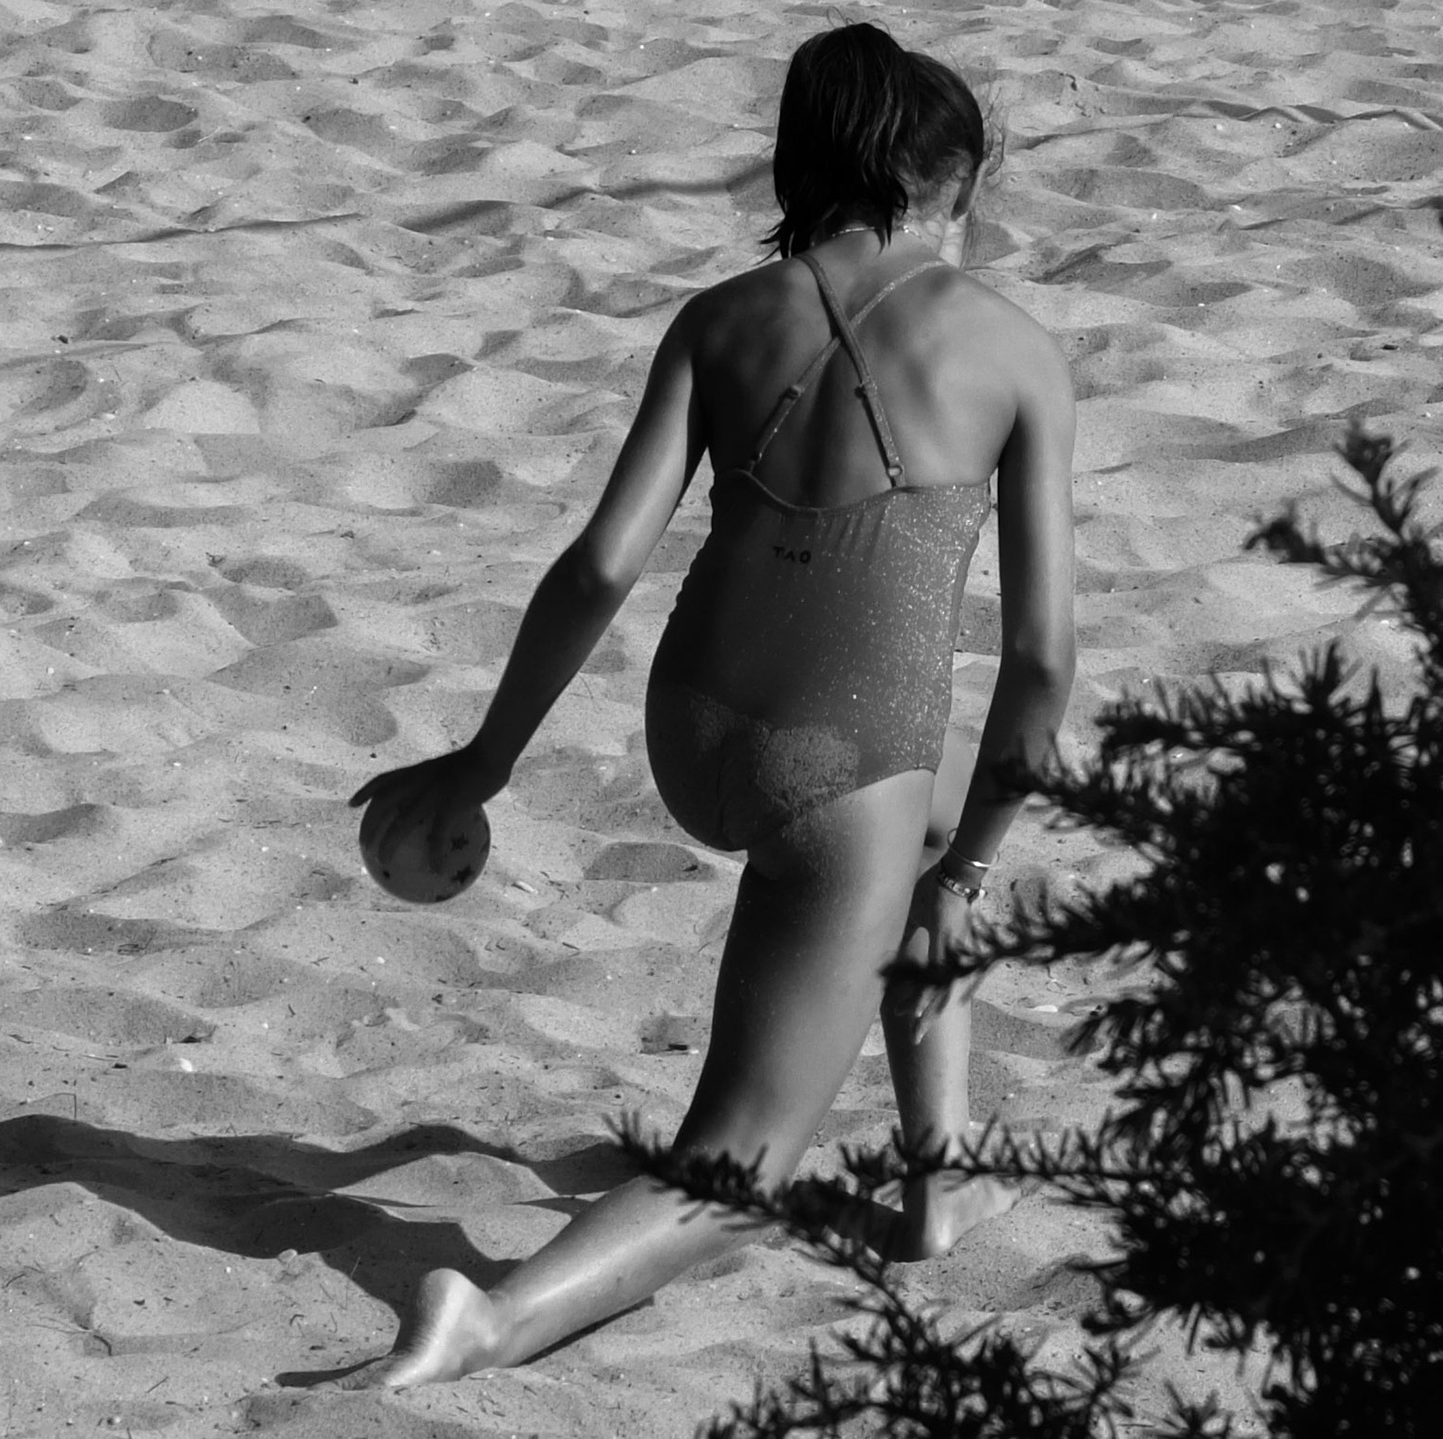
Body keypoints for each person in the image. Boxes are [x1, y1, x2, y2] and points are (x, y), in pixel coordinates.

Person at [346, 20, 1076, 1387]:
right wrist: (982, 863)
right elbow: (1040, 662)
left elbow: (601, 565)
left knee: (917, 846)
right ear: (955, 185)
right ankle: (487, 1321)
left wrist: (486, 761)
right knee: (738, 1162)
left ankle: (939, 1187)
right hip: (843, 766)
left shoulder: (720, 319)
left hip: (694, 727)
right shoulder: (1015, 351)